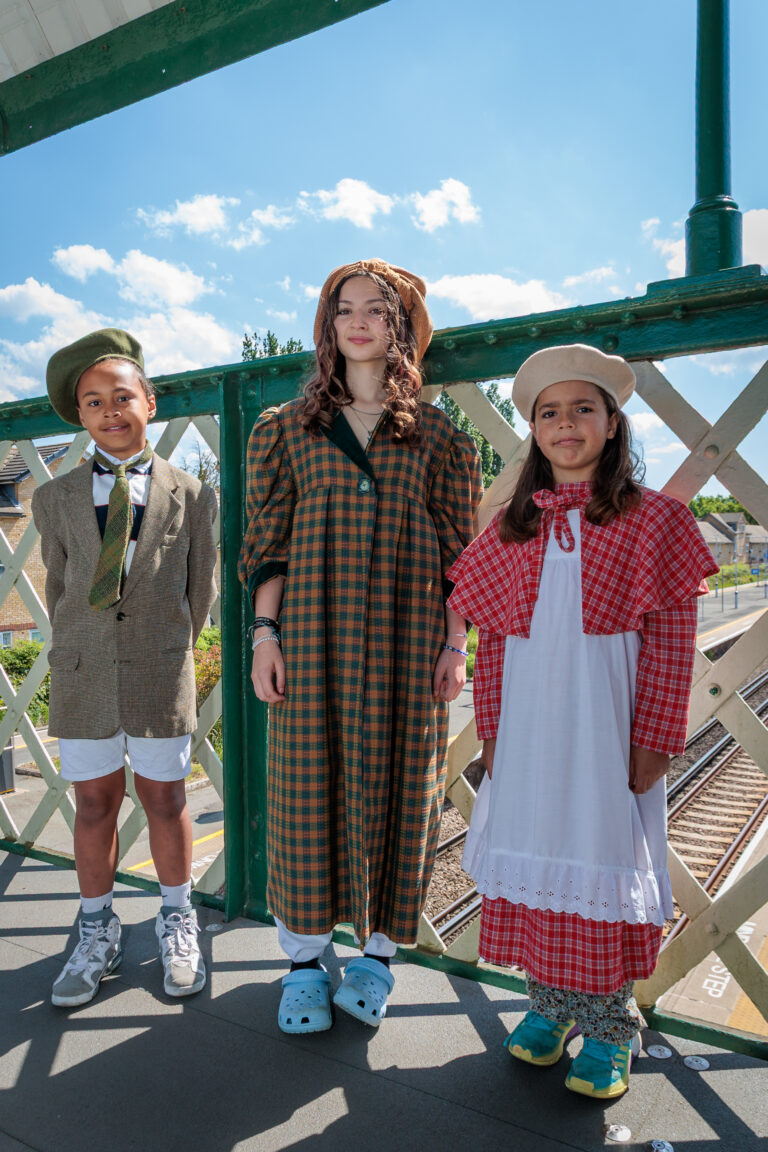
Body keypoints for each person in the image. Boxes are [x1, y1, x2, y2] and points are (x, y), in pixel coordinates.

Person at [447, 344, 717, 1099]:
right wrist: (493, 733)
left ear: (610, 423)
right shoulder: (511, 528)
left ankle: (607, 1026)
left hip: (605, 732)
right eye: (548, 412)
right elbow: (493, 644)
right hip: (531, 735)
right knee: (535, 853)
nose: (565, 424)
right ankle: (548, 1007)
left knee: (600, 861)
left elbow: (671, 643)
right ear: (531, 428)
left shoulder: (654, 520)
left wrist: (656, 738)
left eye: (582, 409)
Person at [239, 259, 482, 1033]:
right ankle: (304, 963)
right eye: (344, 308)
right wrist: (263, 637)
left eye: (377, 309)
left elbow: (458, 550)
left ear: (401, 327)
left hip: (411, 644)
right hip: (310, 638)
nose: (359, 320)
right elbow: (267, 545)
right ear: (327, 325)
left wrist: (455, 643)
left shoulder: (441, 435)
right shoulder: (282, 428)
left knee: (402, 789)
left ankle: (377, 959)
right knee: (305, 791)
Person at [32, 328, 218, 1007]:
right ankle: (96, 927)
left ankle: (176, 916)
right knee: (93, 804)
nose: (109, 412)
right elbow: (59, 587)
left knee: (166, 798)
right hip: (85, 673)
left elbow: (201, 591)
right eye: (92, 403)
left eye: (121, 396)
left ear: (149, 400)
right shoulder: (52, 498)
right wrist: (87, 642)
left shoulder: (192, 493)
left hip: (157, 672)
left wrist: (165, 648)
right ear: (80, 416)